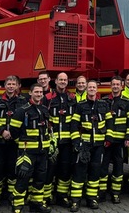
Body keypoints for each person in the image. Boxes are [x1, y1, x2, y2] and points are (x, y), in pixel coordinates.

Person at [69, 80, 112, 212]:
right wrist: (77, 141)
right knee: (79, 172)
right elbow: (74, 124)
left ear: (97, 89)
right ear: (87, 89)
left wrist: (108, 138)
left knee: (95, 172)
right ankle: (75, 201)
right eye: (90, 87)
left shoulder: (104, 105)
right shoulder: (80, 106)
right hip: (84, 145)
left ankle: (92, 199)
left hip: (99, 145)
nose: (92, 89)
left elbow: (110, 122)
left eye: (94, 87)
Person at [9, 84, 53, 213]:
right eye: (36, 92)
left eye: (40, 92)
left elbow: (46, 129)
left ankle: (36, 203)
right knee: (23, 178)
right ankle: (17, 205)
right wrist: (22, 144)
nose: (39, 94)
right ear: (30, 93)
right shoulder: (22, 110)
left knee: (40, 179)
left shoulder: (45, 109)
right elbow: (14, 130)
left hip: (42, 152)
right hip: (27, 152)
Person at [0, 75, 27, 210]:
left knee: (12, 171)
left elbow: (24, 122)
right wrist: (2, 131)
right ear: (5, 85)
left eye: (13, 84)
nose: (10, 86)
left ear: (17, 86)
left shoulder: (23, 101)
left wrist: (14, 135)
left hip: (15, 143)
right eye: (8, 84)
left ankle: (11, 196)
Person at [101, 76, 129, 203]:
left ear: (122, 86)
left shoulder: (127, 102)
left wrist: (128, 137)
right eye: (113, 84)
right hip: (106, 141)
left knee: (118, 169)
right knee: (103, 167)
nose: (115, 86)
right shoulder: (104, 101)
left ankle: (116, 193)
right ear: (110, 86)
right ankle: (102, 193)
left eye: (117, 84)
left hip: (120, 142)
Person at [46, 72, 76, 207]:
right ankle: (47, 196)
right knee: (50, 169)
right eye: (60, 80)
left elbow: (76, 120)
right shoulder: (48, 98)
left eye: (65, 80)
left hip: (67, 142)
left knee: (65, 170)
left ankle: (62, 196)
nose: (63, 82)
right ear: (56, 81)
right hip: (53, 142)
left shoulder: (72, 98)